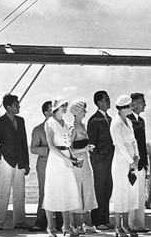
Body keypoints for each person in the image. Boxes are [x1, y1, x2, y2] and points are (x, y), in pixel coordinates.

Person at [44, 98, 83, 237]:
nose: (65, 108)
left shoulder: (66, 124)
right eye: (62, 106)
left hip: (66, 161)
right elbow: (51, 146)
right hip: (56, 161)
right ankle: (50, 228)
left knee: (67, 192)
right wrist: (65, 158)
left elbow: (67, 146)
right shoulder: (50, 123)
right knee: (52, 192)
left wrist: (73, 159)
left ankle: (66, 227)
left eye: (66, 105)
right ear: (56, 108)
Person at [0, 94, 30, 230]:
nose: (19, 106)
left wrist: (26, 162)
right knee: (3, 191)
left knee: (20, 192)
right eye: (16, 104)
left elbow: (24, 142)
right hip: (6, 160)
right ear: (8, 107)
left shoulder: (21, 121)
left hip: (20, 160)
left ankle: (19, 221)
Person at [29, 101, 63, 232]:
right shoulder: (38, 129)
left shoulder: (61, 127)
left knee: (60, 191)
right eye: (51, 110)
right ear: (46, 113)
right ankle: (40, 222)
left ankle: (60, 223)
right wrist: (50, 150)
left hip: (59, 164)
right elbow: (33, 148)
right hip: (44, 164)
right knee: (44, 192)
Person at [110, 95, 139, 237]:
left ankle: (126, 225)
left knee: (128, 192)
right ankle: (118, 226)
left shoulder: (128, 121)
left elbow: (133, 140)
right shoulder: (115, 123)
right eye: (130, 106)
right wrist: (130, 160)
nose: (132, 108)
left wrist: (136, 155)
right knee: (119, 192)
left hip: (131, 162)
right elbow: (119, 145)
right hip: (121, 162)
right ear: (124, 107)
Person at [69, 100, 99, 234]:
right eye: (83, 110)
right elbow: (68, 150)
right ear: (77, 112)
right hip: (77, 165)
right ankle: (77, 224)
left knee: (87, 191)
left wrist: (87, 149)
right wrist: (84, 149)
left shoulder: (83, 125)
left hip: (86, 163)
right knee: (78, 192)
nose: (85, 112)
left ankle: (88, 223)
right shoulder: (72, 128)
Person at [87, 90, 115, 230]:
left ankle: (105, 218)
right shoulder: (94, 120)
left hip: (110, 160)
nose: (109, 101)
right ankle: (97, 221)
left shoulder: (110, 119)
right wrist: (97, 160)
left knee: (108, 189)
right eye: (106, 99)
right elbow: (91, 143)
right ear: (99, 102)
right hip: (99, 161)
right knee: (99, 190)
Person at [127, 93, 149, 233]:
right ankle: (130, 224)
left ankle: (139, 224)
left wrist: (145, 163)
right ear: (134, 104)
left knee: (140, 195)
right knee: (131, 193)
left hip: (141, 164)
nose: (144, 104)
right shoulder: (127, 120)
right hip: (132, 163)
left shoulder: (141, 120)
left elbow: (142, 143)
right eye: (142, 102)